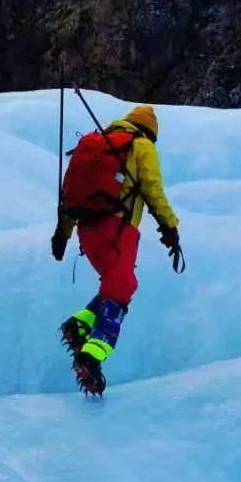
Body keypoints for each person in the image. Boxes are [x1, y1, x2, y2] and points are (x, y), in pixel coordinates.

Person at [52, 104, 183, 395]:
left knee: (116, 285)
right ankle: (92, 356)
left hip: (87, 233)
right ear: (150, 131)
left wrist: (62, 233)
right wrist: (170, 228)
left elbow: (70, 190)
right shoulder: (141, 145)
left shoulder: (96, 146)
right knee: (121, 289)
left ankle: (78, 325)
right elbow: (152, 188)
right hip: (118, 230)